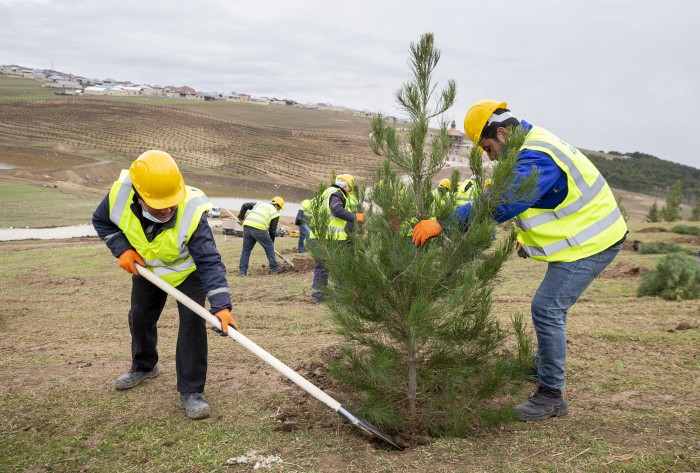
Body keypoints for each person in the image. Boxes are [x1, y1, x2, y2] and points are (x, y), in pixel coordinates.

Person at [412, 100, 628, 421]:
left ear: (501, 133)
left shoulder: (537, 155)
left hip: (594, 242)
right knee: (550, 307)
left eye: (487, 148)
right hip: (583, 240)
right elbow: (541, 201)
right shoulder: (528, 146)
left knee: (547, 308)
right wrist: (525, 239)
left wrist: (444, 222)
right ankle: (543, 367)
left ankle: (551, 395)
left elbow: (504, 203)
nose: (489, 156)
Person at [92, 150, 237, 420]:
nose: (168, 209)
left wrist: (221, 306)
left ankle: (191, 391)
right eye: (159, 205)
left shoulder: (192, 210)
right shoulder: (119, 196)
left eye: (172, 202)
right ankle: (145, 366)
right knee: (140, 318)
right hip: (148, 270)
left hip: (186, 273)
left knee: (193, 324)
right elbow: (101, 221)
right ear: (139, 194)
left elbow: (209, 261)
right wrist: (122, 249)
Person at [309, 174, 364, 303]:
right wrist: (355, 217)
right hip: (333, 237)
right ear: (345, 186)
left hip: (318, 235)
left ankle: (318, 295)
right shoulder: (337, 193)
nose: (349, 191)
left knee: (321, 266)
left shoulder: (325, 193)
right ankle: (341, 293)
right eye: (349, 189)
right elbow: (336, 209)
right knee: (341, 265)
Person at [238, 197, 285, 276]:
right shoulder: (275, 213)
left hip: (247, 226)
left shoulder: (260, 203)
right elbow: (272, 230)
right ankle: (274, 268)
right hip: (259, 228)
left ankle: (242, 272)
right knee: (269, 247)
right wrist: (271, 243)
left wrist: (241, 218)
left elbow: (245, 205)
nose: (279, 209)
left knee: (246, 250)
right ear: (277, 205)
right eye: (279, 208)